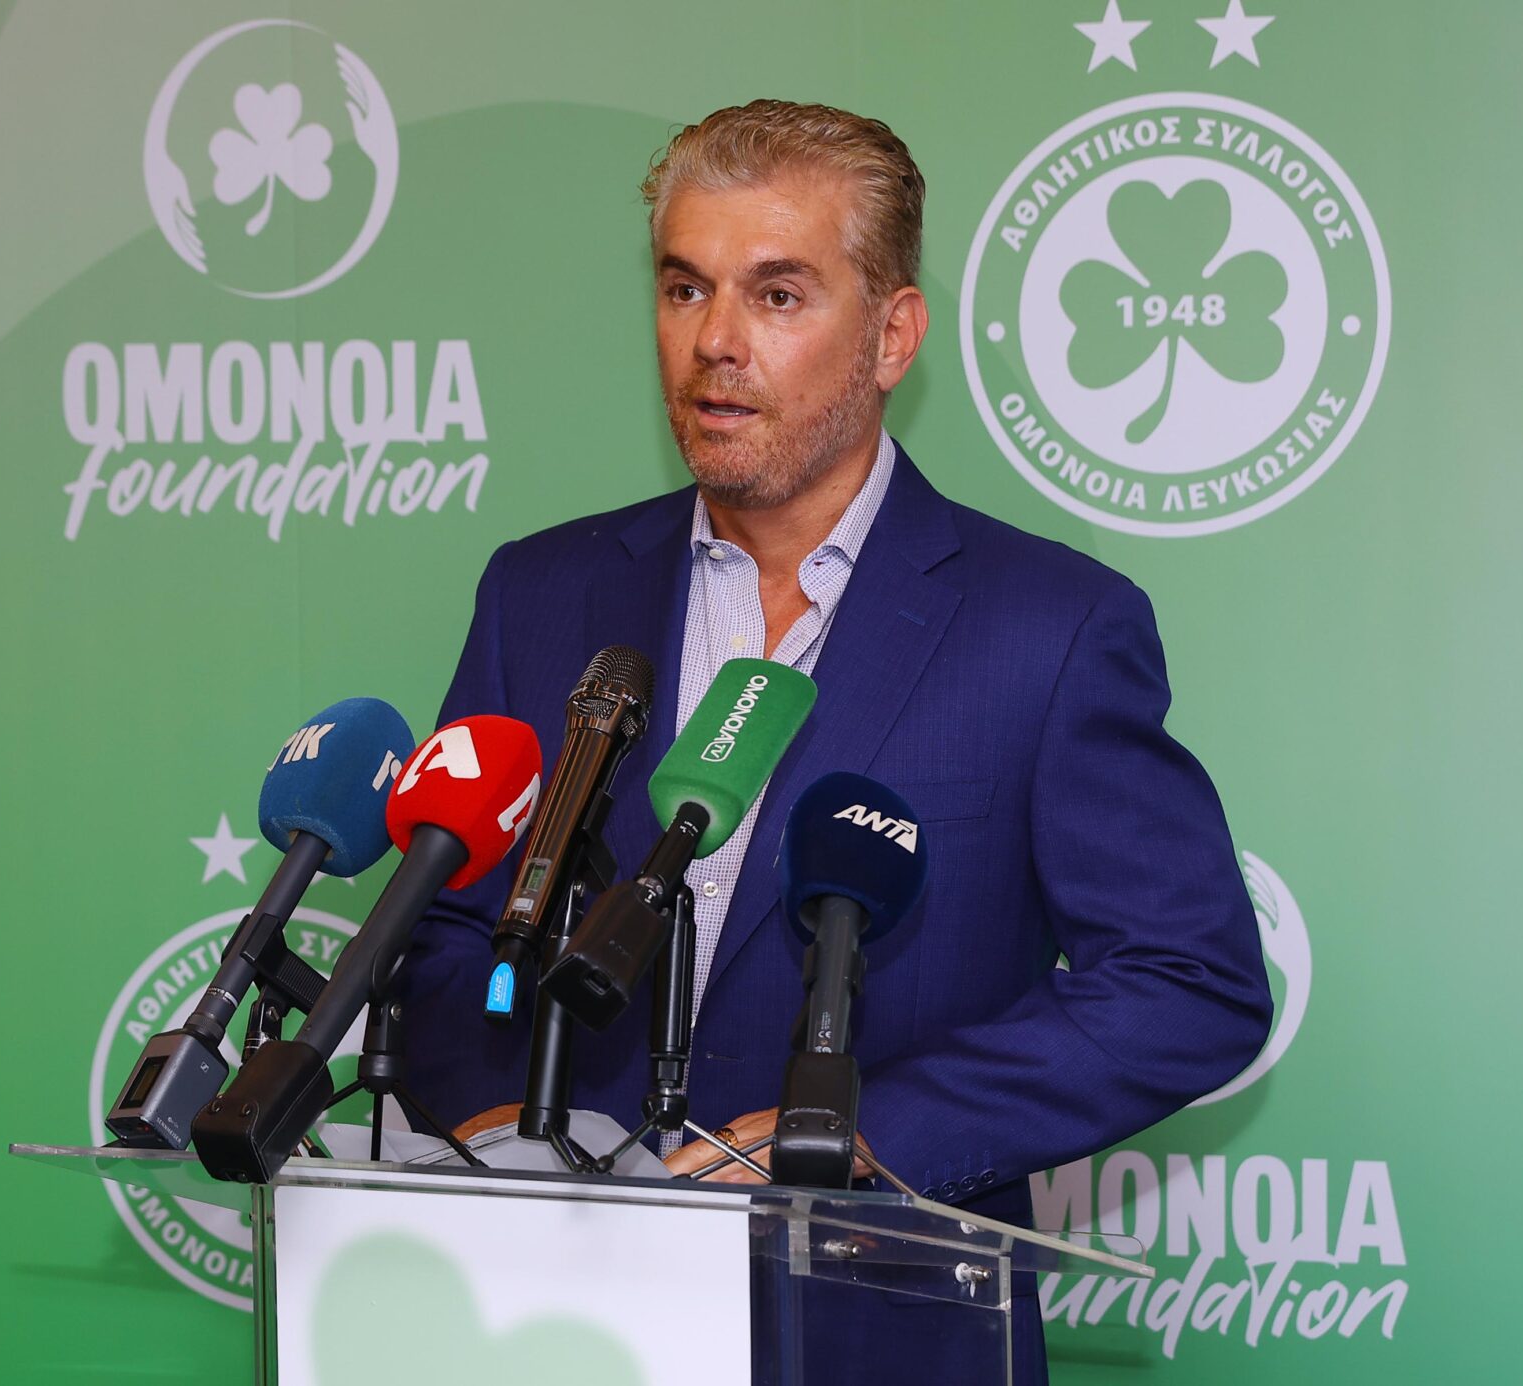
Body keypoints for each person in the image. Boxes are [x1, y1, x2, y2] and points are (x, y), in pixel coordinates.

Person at [392, 100, 1273, 1382]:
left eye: (777, 294)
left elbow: (1185, 983)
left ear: (890, 335)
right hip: (556, 1317)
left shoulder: (1049, 627)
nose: (714, 340)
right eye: (684, 287)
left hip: (883, 1324)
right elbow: (446, 932)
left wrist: (862, 1131)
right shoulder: (542, 596)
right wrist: (504, 1137)